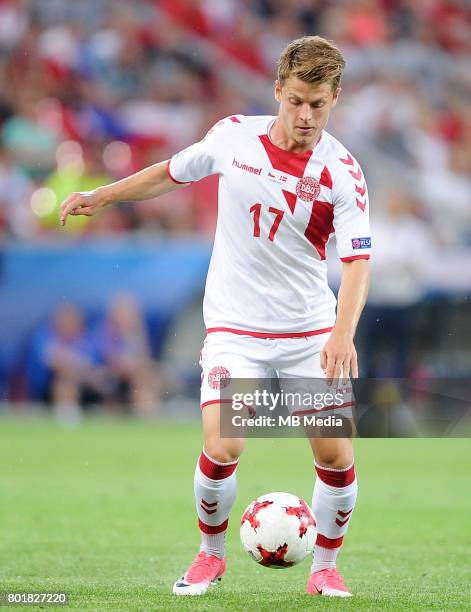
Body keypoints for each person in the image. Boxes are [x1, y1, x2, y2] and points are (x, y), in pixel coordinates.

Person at [60, 36, 371, 598]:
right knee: (224, 443)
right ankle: (210, 556)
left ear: (335, 99)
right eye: (296, 100)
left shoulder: (342, 174)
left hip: (309, 332)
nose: (305, 115)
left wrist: (342, 335)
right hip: (235, 327)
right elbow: (170, 172)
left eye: (318, 104)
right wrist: (103, 195)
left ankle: (325, 568)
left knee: (335, 454)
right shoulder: (233, 137)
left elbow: (356, 264)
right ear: (278, 90)